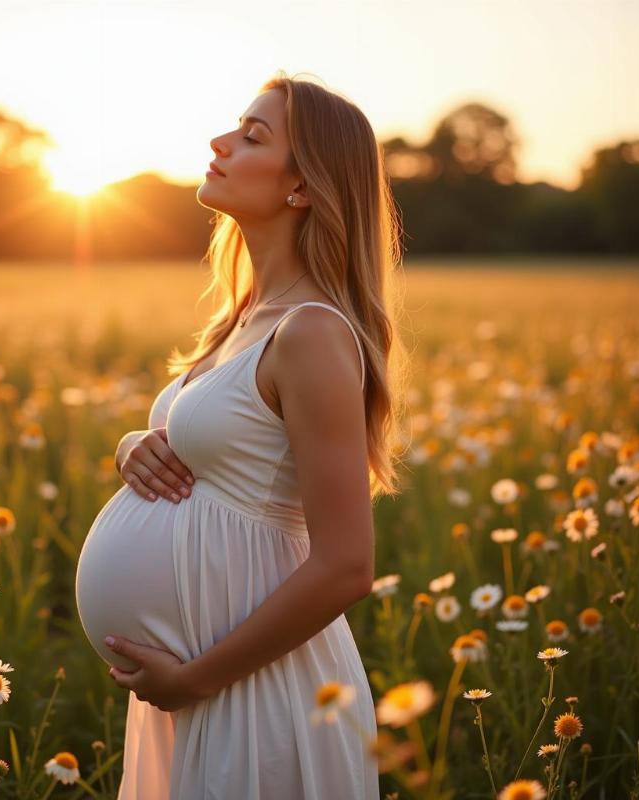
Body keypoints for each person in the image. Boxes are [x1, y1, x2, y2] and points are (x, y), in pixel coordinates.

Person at [106, 71, 408, 799]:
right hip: (201, 683)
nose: (220, 142)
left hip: (255, 692)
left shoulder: (311, 332)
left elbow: (346, 566)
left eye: (253, 136)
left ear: (303, 186)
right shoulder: (240, 321)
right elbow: (219, 455)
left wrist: (195, 679)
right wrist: (130, 448)